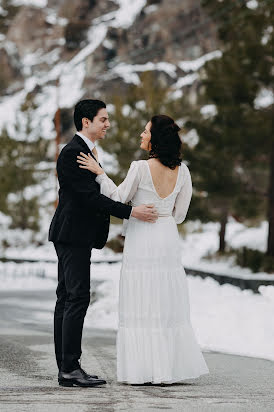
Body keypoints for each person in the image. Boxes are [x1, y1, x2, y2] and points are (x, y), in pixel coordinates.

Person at [76, 114, 209, 384]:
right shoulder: (183, 171)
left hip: (142, 238)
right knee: (164, 301)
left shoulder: (139, 167)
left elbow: (119, 199)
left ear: (155, 139)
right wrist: (162, 211)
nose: (141, 135)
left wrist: (100, 173)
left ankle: (143, 369)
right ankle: (167, 369)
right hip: (166, 236)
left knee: (141, 298)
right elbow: (180, 215)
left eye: (145, 131)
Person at [48, 99, 158, 388]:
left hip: (73, 234)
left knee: (67, 297)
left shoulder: (86, 152)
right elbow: (90, 198)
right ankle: (70, 367)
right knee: (76, 298)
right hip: (72, 235)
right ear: (87, 122)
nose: (108, 124)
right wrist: (131, 212)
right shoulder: (73, 152)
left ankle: (67, 367)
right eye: (103, 119)